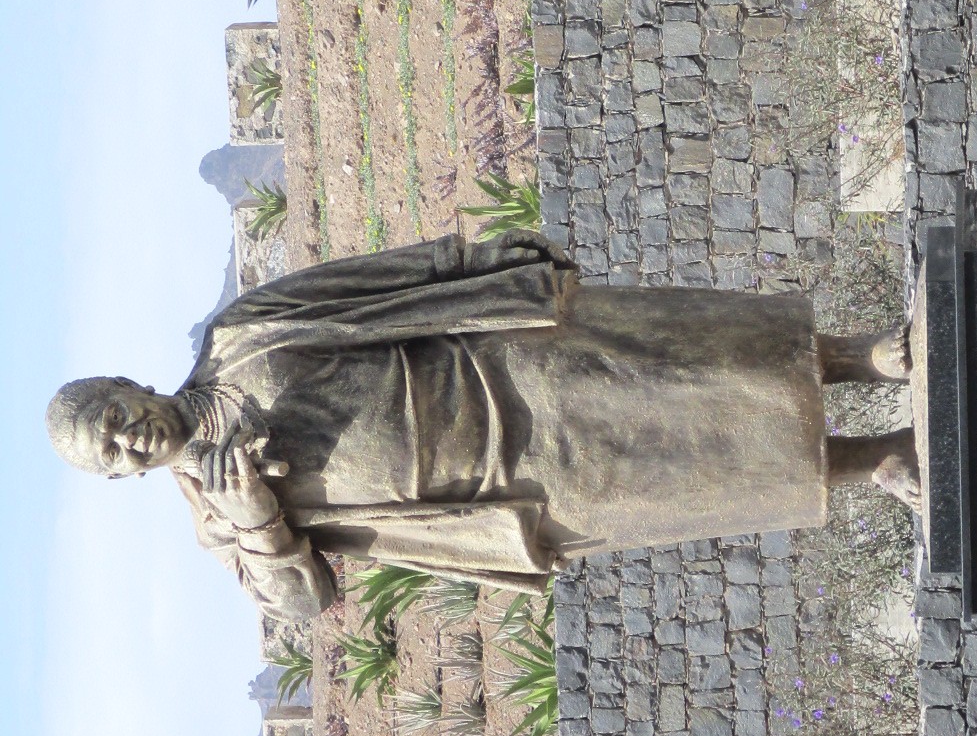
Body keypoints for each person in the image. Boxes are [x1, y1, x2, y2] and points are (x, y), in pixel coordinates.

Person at [46, 230, 918, 621]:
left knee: (678, 359)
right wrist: (260, 527)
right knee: (691, 472)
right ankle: (874, 461)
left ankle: (862, 357)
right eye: (111, 455)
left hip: (494, 365)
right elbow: (309, 602)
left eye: (114, 418)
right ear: (123, 478)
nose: (127, 440)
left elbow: (365, 283)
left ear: (128, 384)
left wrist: (473, 261)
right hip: (506, 484)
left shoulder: (241, 336)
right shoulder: (217, 524)